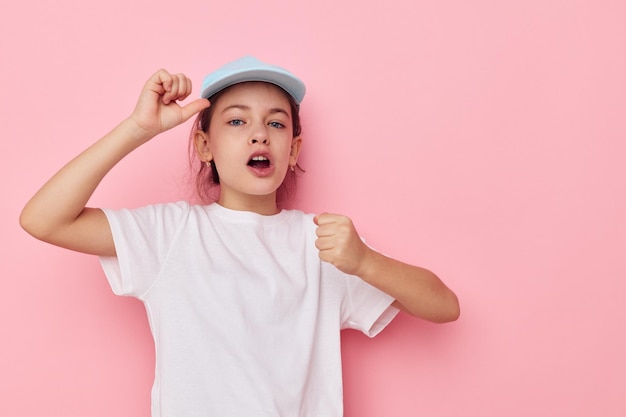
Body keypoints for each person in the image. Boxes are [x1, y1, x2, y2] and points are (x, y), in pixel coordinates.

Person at [20, 56, 460, 417]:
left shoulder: (323, 244)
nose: (258, 134)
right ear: (204, 147)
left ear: (294, 151)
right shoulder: (172, 234)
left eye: (276, 123)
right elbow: (44, 220)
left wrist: (365, 261)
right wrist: (138, 129)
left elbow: (444, 306)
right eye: (235, 121)